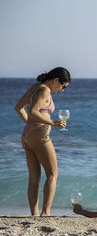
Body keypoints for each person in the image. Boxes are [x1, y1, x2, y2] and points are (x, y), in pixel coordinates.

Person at [14, 67, 71, 216]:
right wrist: (53, 122)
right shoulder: (45, 90)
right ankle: (45, 213)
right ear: (56, 80)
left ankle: (34, 213)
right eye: (63, 86)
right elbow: (33, 112)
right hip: (39, 135)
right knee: (53, 174)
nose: (63, 90)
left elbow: (19, 108)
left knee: (34, 178)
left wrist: (30, 125)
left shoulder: (34, 88)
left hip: (27, 136)